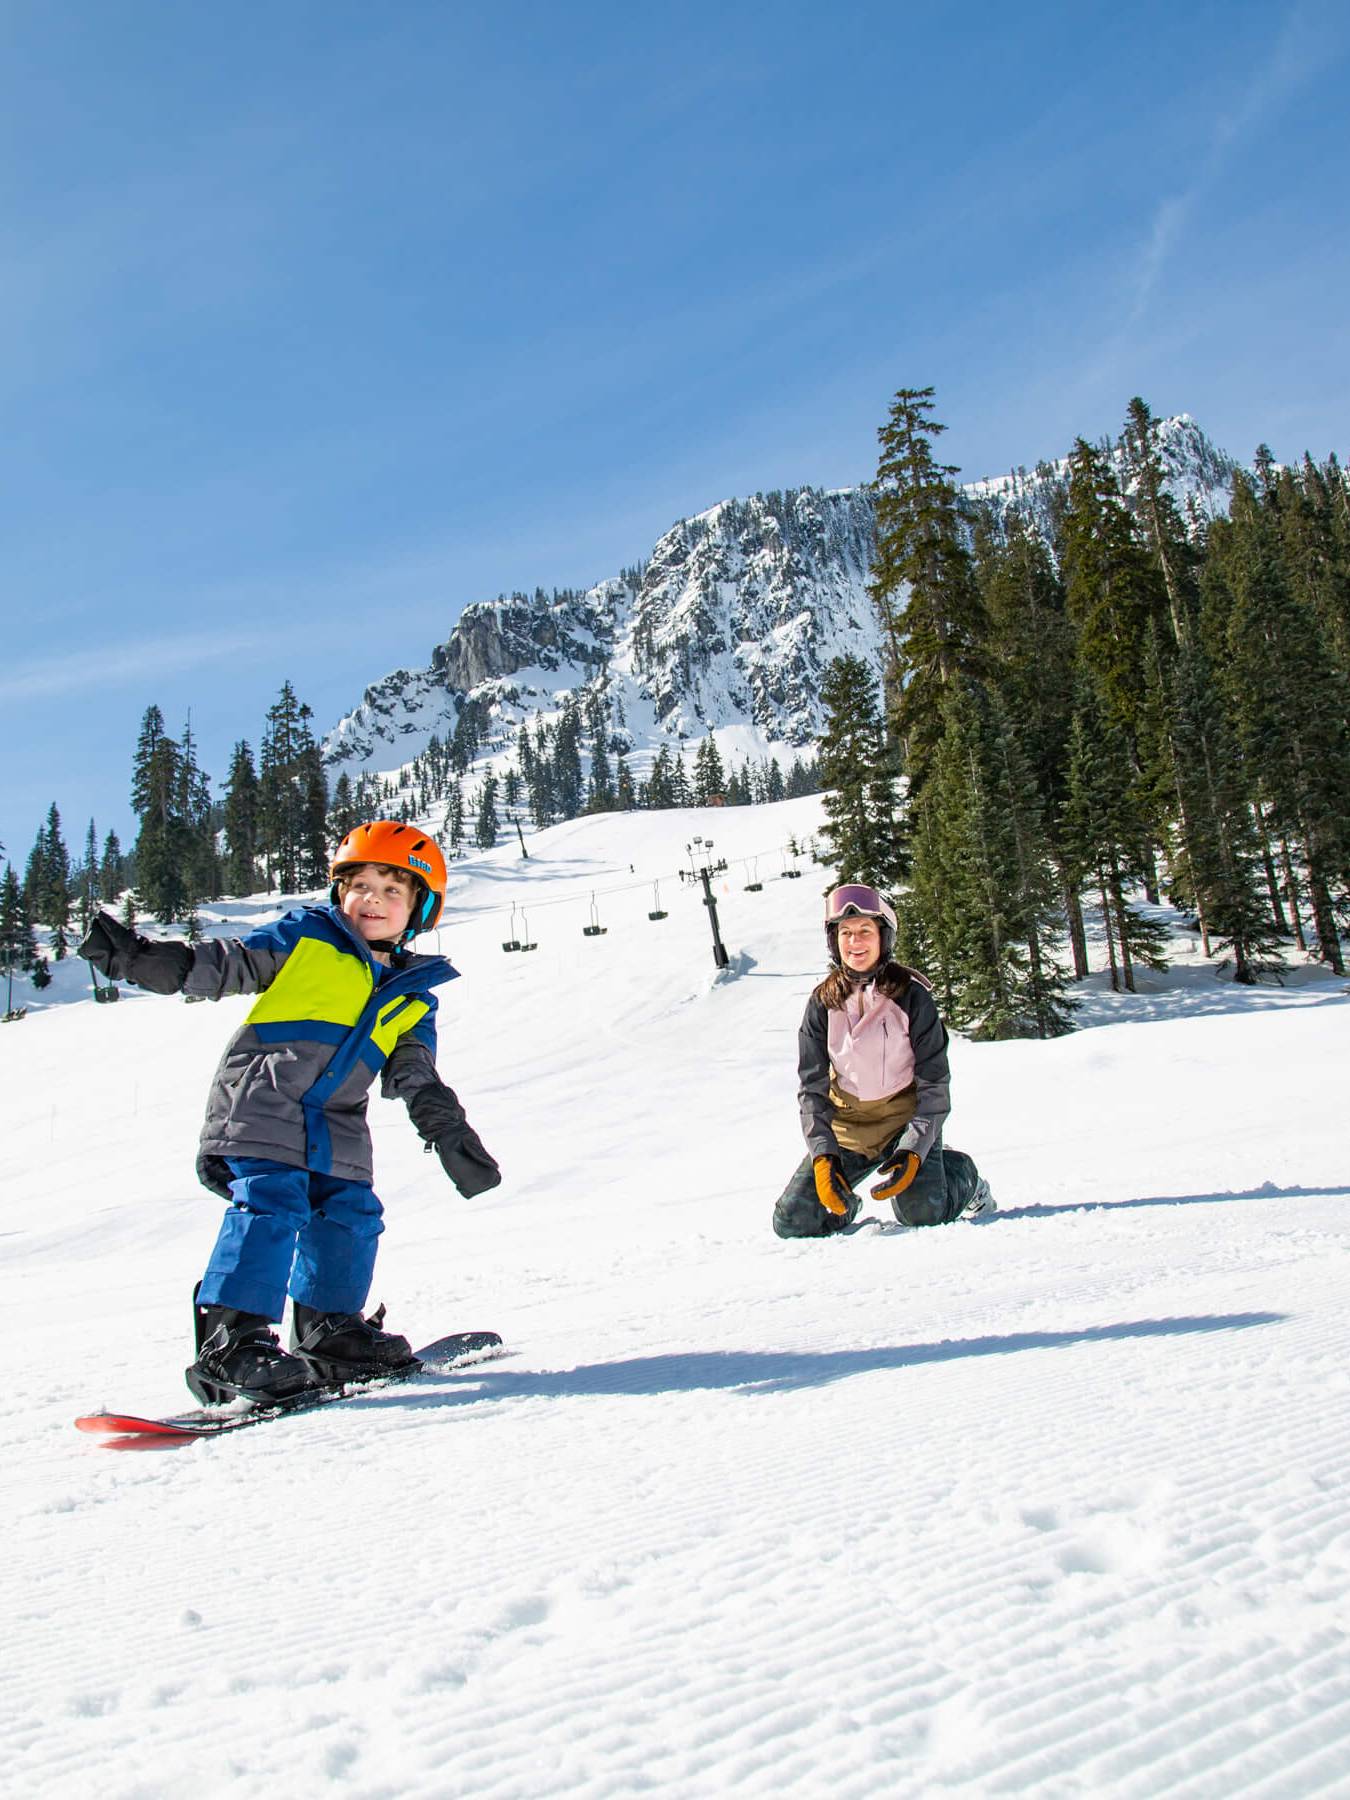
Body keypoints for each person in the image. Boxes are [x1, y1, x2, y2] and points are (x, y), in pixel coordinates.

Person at [79, 819, 501, 1403]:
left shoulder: (413, 996)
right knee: (273, 1201)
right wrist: (147, 960)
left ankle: (330, 1331)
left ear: (420, 908)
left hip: (339, 1127)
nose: (371, 900)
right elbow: (228, 963)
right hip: (263, 1104)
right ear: (338, 893)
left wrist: (448, 1131)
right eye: (358, 885)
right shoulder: (308, 940)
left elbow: (416, 1074)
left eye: (391, 890)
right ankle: (231, 1343)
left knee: (352, 1215)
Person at [772, 883, 994, 1238]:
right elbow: (811, 1089)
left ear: (883, 937)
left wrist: (915, 1146)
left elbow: (935, 1085)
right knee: (792, 1221)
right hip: (849, 1132)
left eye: (864, 931)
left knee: (921, 1213)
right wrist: (823, 1154)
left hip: (904, 1125)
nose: (854, 942)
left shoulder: (912, 997)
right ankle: (849, 1206)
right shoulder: (821, 1005)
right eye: (845, 933)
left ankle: (962, 1176)